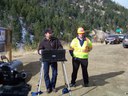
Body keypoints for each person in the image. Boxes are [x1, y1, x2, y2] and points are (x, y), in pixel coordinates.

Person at [38, 28, 63, 93]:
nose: (50, 34)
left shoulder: (55, 40)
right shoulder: (43, 41)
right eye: (49, 33)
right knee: (46, 74)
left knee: (55, 73)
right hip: (46, 60)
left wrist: (60, 50)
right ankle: (48, 87)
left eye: (51, 33)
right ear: (45, 34)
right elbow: (39, 49)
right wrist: (40, 51)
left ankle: (53, 86)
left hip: (54, 59)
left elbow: (60, 46)